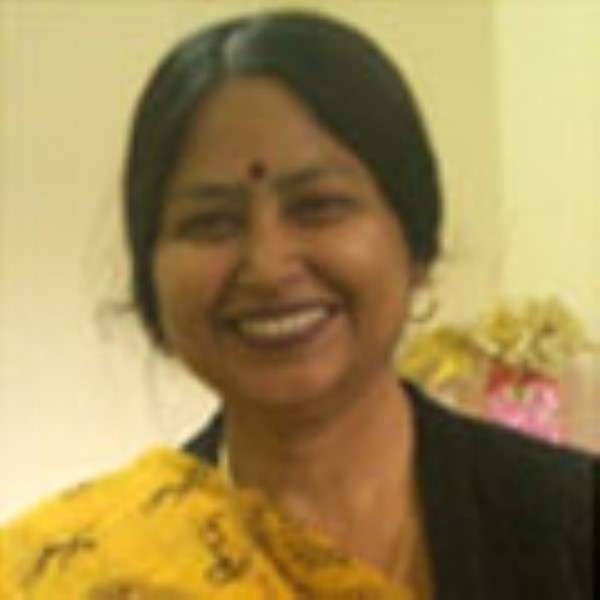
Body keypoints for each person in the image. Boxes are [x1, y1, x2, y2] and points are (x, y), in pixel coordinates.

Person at [1, 10, 595, 599]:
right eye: (211, 222)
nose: (267, 265)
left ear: (414, 242)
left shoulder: (572, 527)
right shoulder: (84, 573)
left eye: (319, 206)